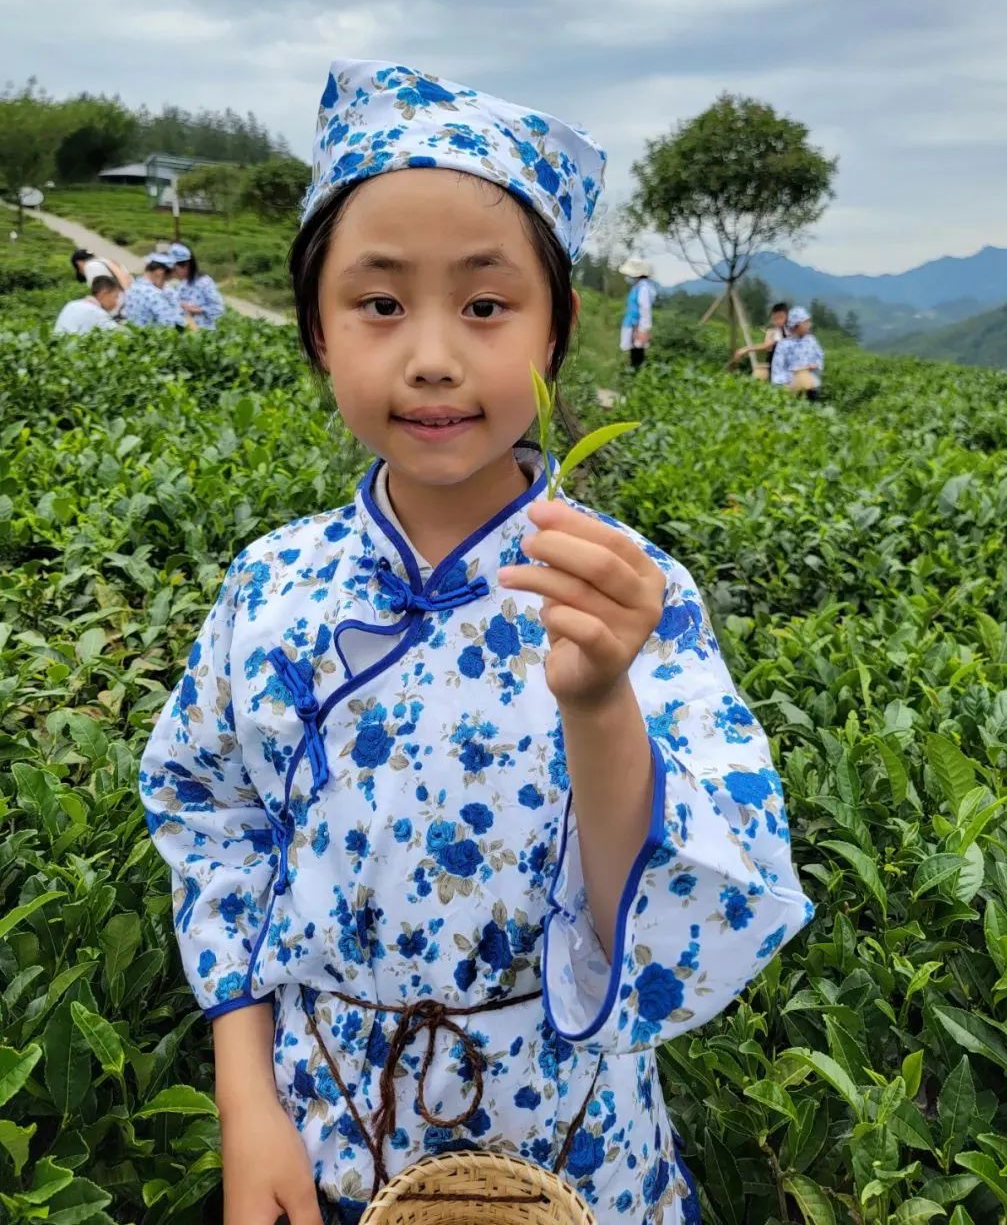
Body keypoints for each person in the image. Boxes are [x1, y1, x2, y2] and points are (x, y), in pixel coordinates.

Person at [138, 59, 811, 1225]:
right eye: (381, 302)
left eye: (487, 304)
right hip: (324, 1120)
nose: (435, 355)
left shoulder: (630, 594)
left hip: (571, 1139)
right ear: (317, 332)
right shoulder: (270, 586)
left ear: (559, 332)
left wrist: (602, 701)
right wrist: (246, 1099)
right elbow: (215, 823)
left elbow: (684, 915)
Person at [770, 305, 825, 399]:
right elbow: (777, 370)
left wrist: (814, 365)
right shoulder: (783, 345)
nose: (809, 325)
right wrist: (791, 380)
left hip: (811, 386)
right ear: (797, 326)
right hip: (791, 389)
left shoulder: (811, 340)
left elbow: (819, 356)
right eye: (806, 322)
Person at [169, 243, 226, 328]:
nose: (173, 273)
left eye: (174, 269)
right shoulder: (182, 283)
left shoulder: (205, 282)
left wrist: (197, 310)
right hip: (187, 331)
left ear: (186, 265)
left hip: (203, 335)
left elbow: (219, 309)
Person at [125, 252, 188, 329]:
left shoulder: (133, 287)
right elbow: (172, 325)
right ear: (160, 271)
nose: (166, 282)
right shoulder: (154, 294)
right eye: (167, 278)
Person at [618, 256, 658, 370]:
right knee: (634, 350)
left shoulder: (644, 288)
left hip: (637, 326)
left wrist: (643, 329)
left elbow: (645, 309)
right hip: (633, 324)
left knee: (637, 351)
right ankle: (633, 374)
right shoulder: (638, 286)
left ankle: (636, 375)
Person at [53, 275, 123, 335]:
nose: (116, 303)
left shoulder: (72, 304)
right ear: (103, 294)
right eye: (115, 297)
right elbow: (120, 333)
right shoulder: (97, 312)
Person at [733, 301, 788, 375]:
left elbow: (767, 345)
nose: (777, 321)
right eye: (775, 319)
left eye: (780, 318)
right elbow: (768, 347)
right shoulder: (776, 331)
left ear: (787, 316)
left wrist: (746, 349)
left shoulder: (789, 331)